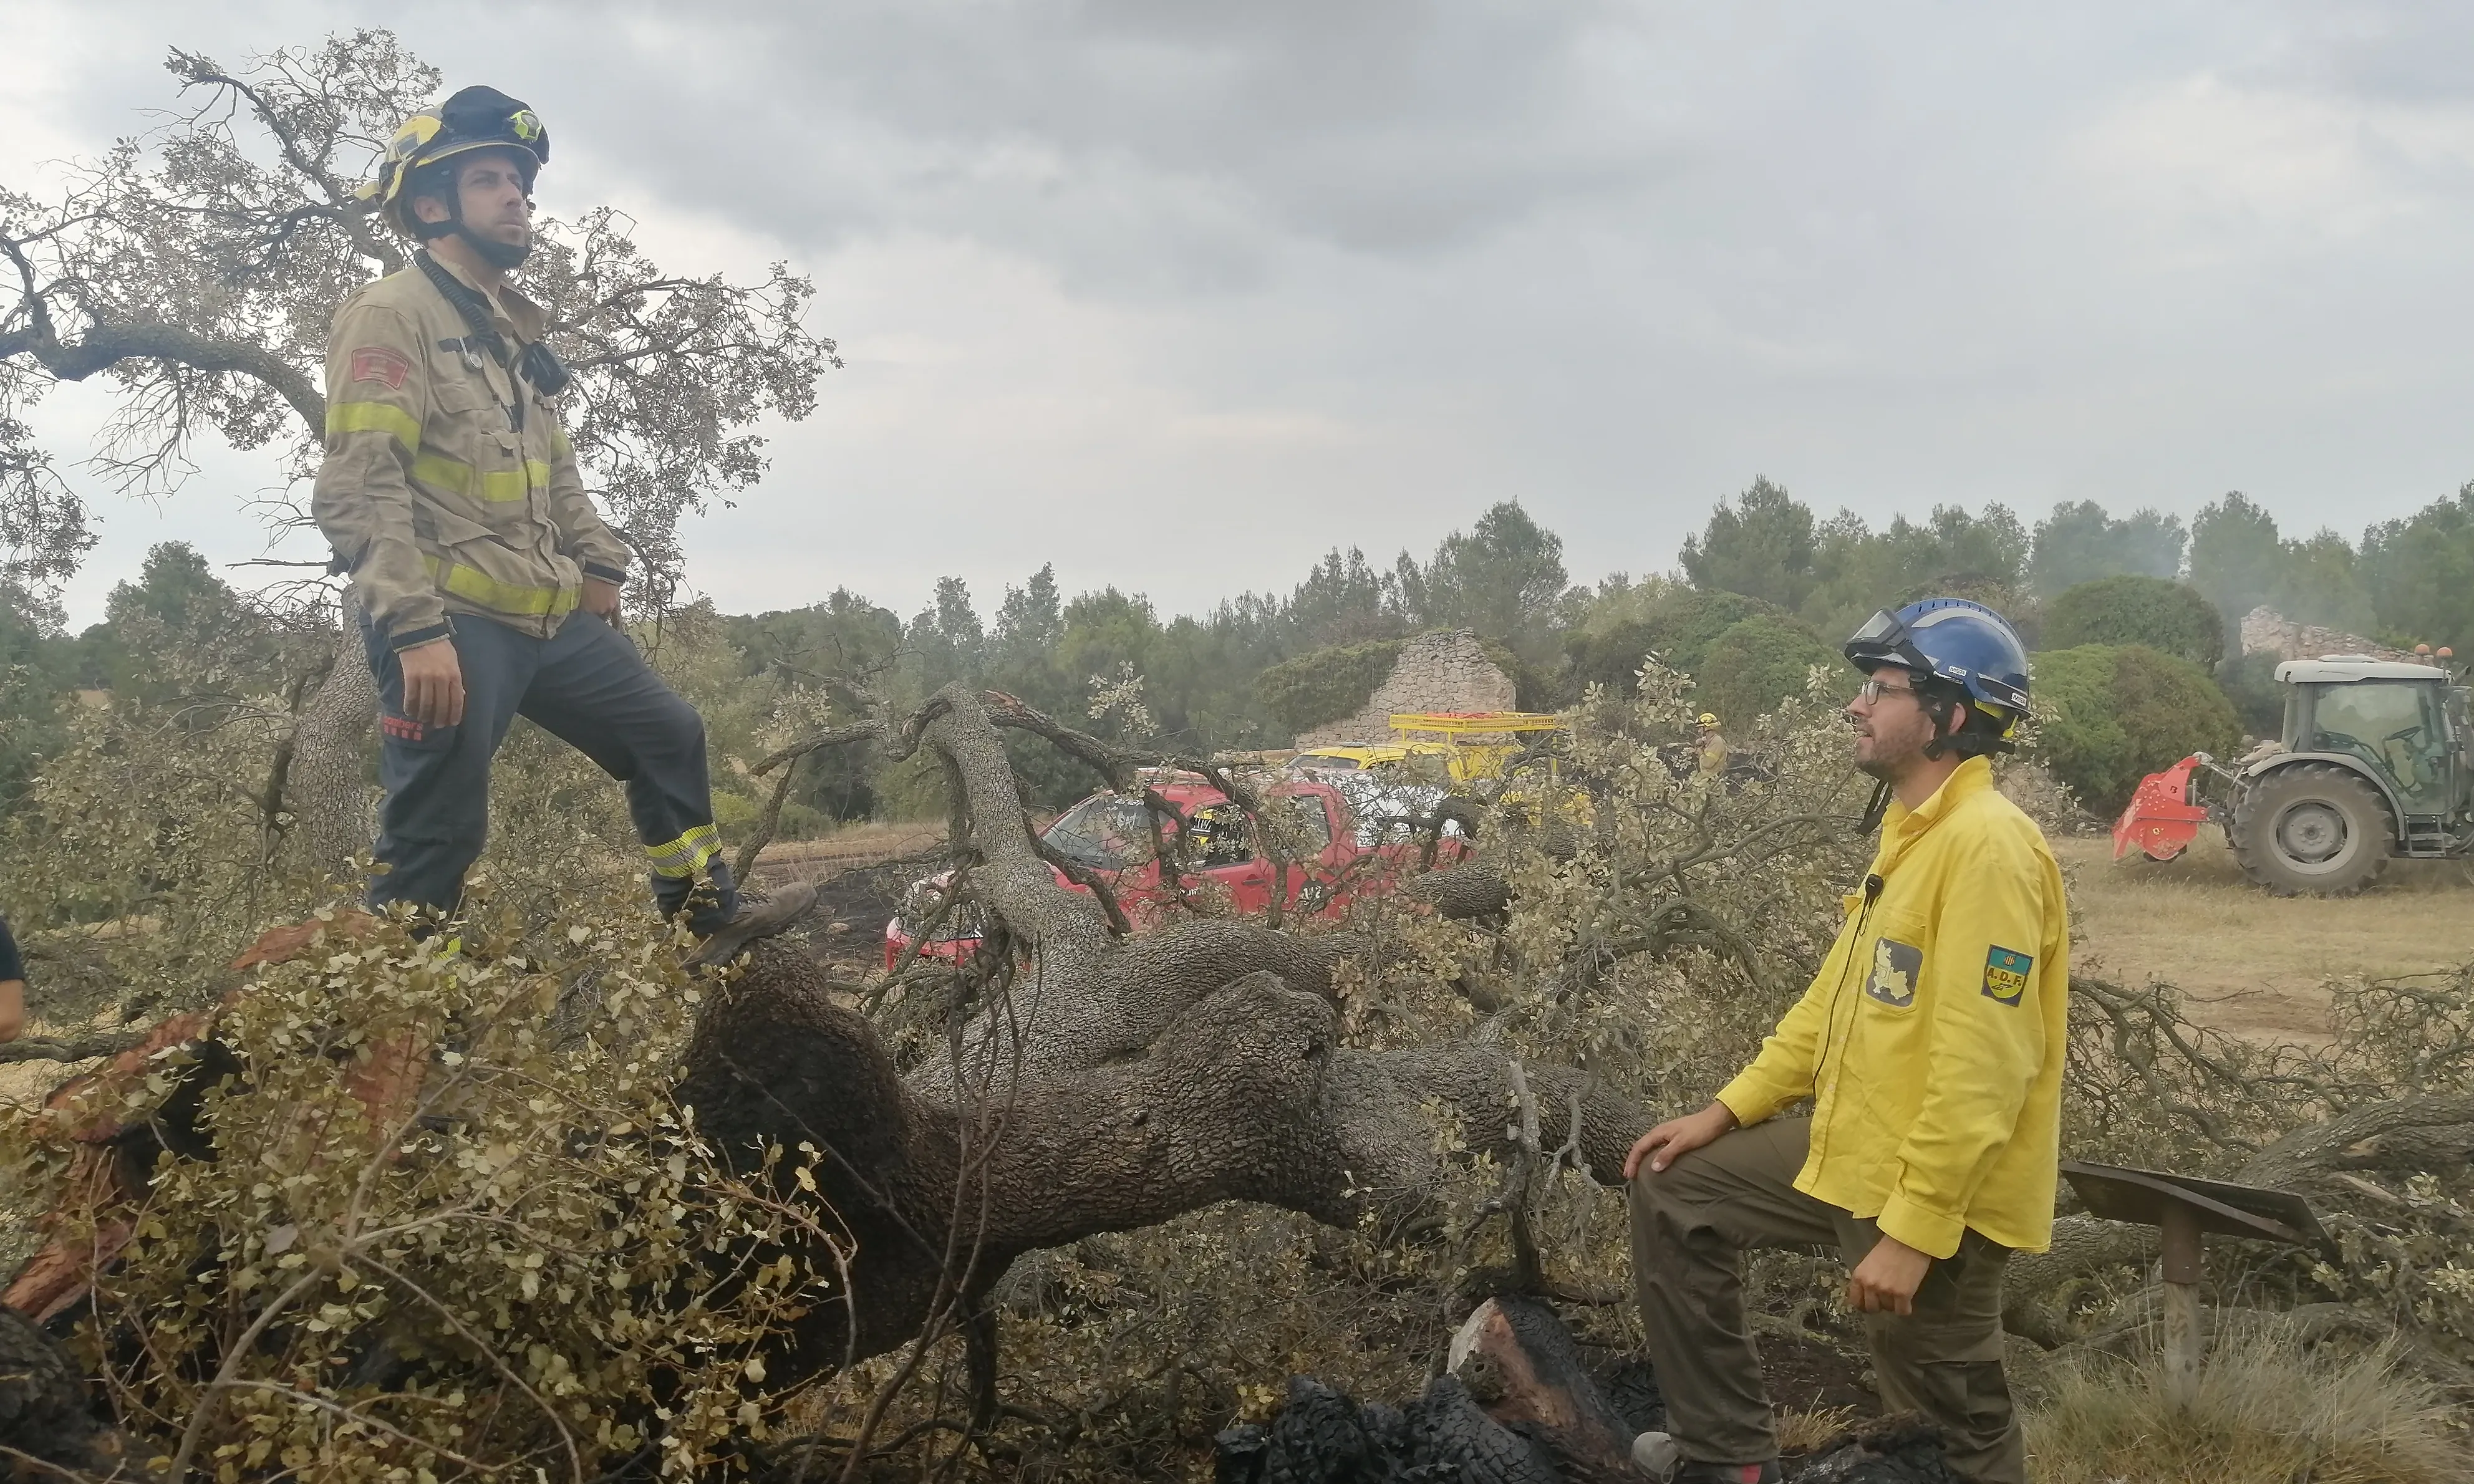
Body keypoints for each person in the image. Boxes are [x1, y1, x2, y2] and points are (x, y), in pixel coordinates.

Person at [315, 87, 809, 960]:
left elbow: (558, 473)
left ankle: (702, 918)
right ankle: (382, 1031)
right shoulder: (393, 314)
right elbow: (360, 483)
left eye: (521, 181)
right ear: (431, 204)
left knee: (667, 733)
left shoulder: (512, 333)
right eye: (491, 180)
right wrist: (414, 629)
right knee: (438, 835)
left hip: (544, 617)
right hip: (450, 623)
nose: (518, 196)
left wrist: (600, 563)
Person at [1621, 599, 2067, 1484]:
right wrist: (1725, 1110)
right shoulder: (1910, 835)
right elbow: (1832, 1003)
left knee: (1946, 1425)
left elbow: (1989, 1063)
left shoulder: (1987, 848)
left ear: (1948, 715)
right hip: (1854, 1148)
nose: (1856, 707)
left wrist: (1915, 1229)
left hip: (1931, 1185)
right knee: (1677, 1191)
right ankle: (1726, 1459)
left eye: (1881, 689)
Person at [1693, 712, 1729, 777]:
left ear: (1707, 728)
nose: (1699, 731)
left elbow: (1708, 763)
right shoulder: (1711, 740)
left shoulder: (1717, 742)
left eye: (1700, 728)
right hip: (1707, 780)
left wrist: (1701, 753)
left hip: (1713, 781)